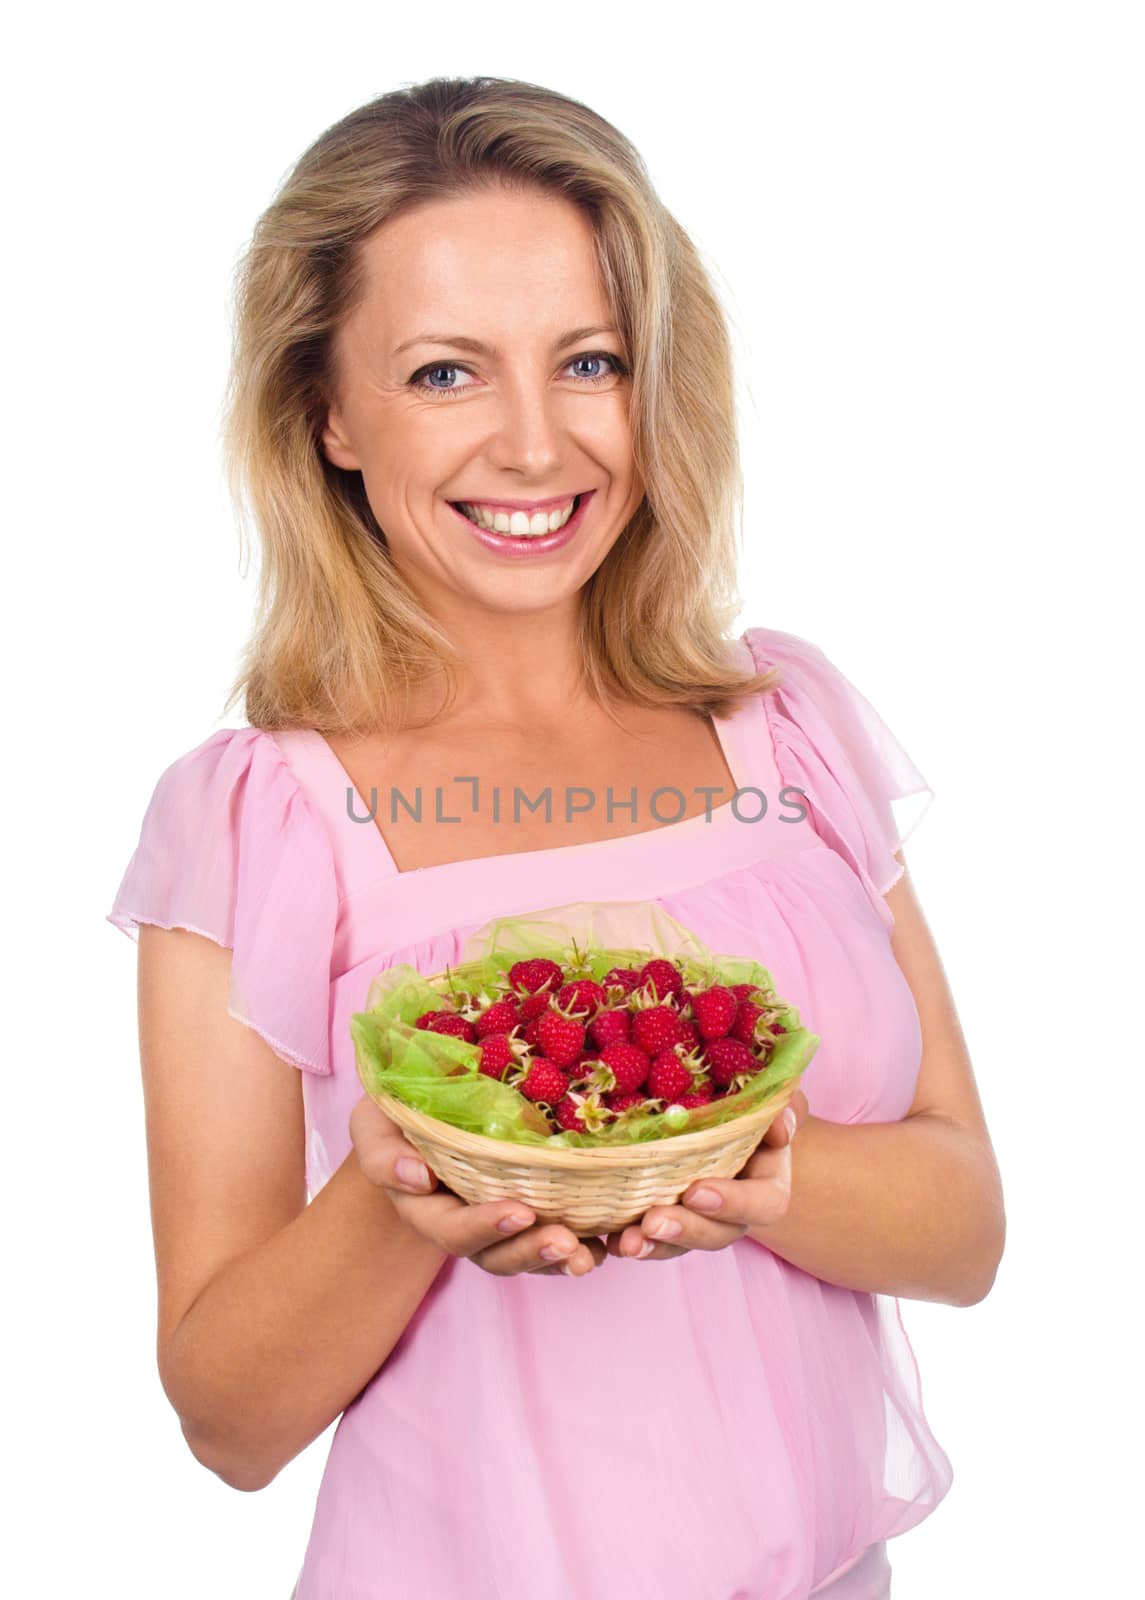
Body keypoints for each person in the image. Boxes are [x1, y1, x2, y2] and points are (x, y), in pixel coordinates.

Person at [107, 76, 1005, 1600]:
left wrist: (749, 1163)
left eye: (587, 361)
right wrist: (405, 1195)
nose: (534, 445)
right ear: (325, 412)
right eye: (446, 374)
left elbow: (964, 1230)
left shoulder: (785, 732)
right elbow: (228, 1422)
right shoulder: (257, 814)